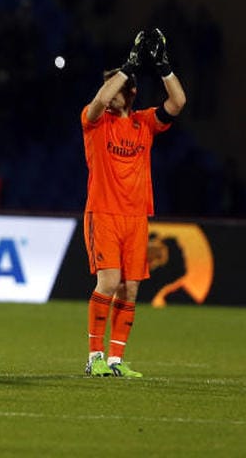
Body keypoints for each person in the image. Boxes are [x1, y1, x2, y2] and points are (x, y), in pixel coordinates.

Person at [81, 29, 186, 378]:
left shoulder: (144, 123)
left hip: (137, 217)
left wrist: (164, 67)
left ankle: (115, 360)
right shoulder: (94, 121)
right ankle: (94, 355)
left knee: (131, 288)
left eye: (119, 90)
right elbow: (99, 99)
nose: (110, 96)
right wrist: (126, 67)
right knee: (108, 283)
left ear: (133, 93)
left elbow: (178, 103)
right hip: (104, 213)